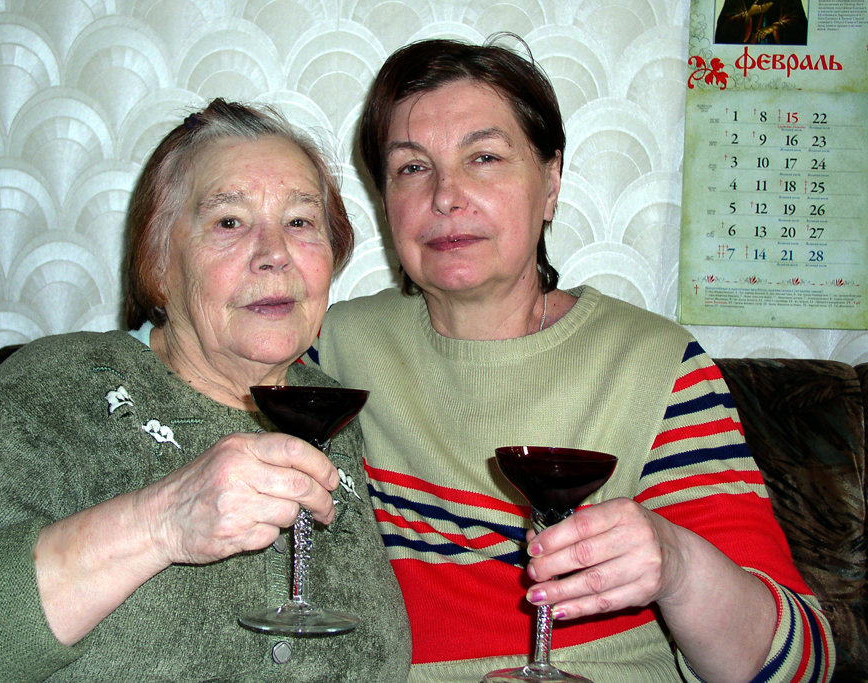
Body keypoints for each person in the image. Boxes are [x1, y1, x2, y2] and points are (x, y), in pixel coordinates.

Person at [306, 38, 833, 683]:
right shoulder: (332, 347)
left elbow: (799, 665)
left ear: (550, 183)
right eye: (412, 167)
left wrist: (676, 563)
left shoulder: (656, 369)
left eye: (484, 157)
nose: (446, 195)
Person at [0, 99, 411, 682]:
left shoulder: (334, 411)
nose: (274, 254)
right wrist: (159, 522)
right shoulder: (61, 384)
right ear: (159, 261)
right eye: (229, 222)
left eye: (300, 222)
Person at [714, 0, 809, 45]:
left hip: (777, 55)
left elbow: (798, 23)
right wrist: (749, 14)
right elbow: (724, 26)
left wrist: (775, 27)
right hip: (747, 54)